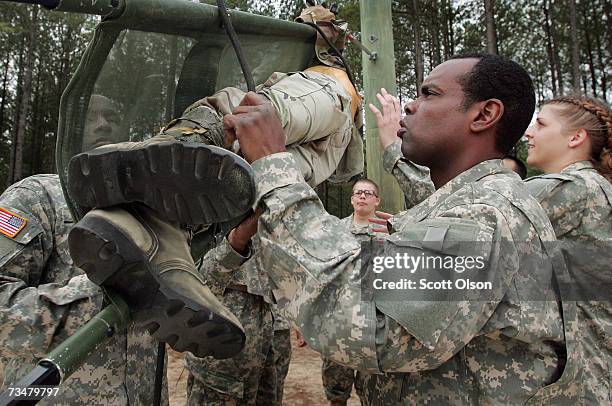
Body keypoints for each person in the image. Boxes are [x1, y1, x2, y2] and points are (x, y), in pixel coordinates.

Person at [222, 53, 582, 404]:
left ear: (484, 114)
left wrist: (275, 166)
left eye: (430, 94)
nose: (410, 106)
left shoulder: (486, 216)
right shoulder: (465, 204)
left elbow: (366, 323)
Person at [0, 95, 169, 405]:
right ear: (69, 130)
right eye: (90, 117)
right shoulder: (35, 198)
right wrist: (97, 295)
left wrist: (236, 244)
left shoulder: (147, 211)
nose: (103, 124)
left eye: (112, 117)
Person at [524, 95, 612, 404]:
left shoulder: (574, 190)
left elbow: (475, 210)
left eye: (541, 123)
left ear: (576, 137)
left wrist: (395, 153)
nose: (528, 133)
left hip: (583, 383)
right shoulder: (595, 187)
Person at [321, 178, 381, 406]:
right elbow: (325, 274)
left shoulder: (388, 232)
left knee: (373, 389)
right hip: (339, 321)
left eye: (368, 193)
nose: (362, 197)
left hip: (374, 323)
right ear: (352, 198)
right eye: (358, 193)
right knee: (336, 388)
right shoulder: (336, 231)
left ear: (377, 200)